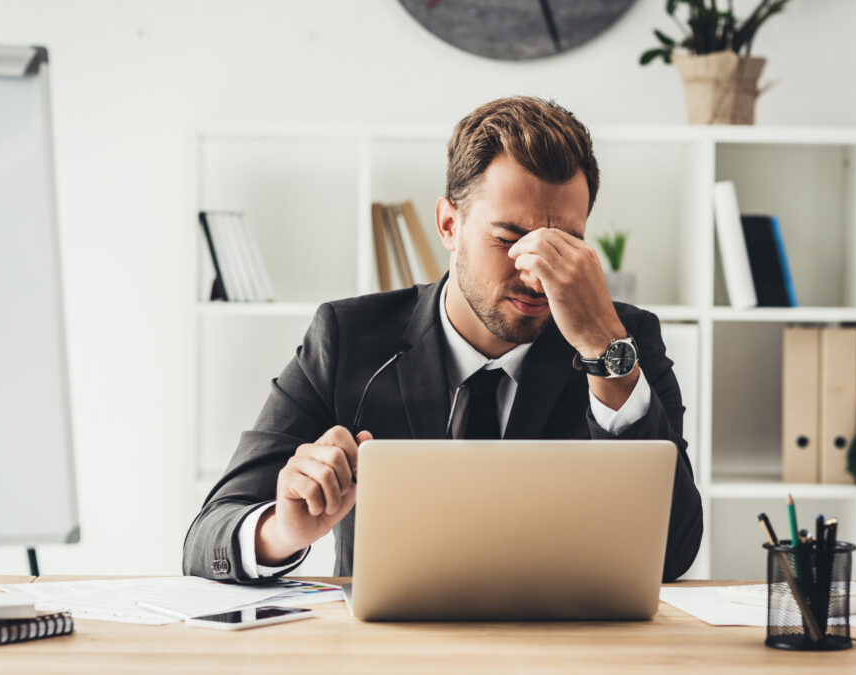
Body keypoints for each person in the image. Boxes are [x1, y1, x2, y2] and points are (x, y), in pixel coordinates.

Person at [183, 96, 703, 583]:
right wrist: (283, 530)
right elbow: (206, 539)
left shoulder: (623, 341)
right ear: (449, 225)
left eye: (563, 246)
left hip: (557, 648)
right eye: (509, 240)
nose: (536, 274)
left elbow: (673, 554)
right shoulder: (348, 338)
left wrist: (603, 351)